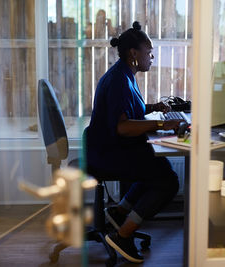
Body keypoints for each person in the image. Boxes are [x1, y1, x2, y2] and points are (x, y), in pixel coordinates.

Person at [85, 21, 182, 263]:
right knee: (167, 180)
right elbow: (122, 126)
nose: (152, 58)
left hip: (106, 147)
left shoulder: (124, 73)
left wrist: (153, 108)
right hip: (108, 153)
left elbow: (129, 112)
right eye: (149, 53)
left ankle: (120, 212)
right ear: (134, 54)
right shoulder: (119, 80)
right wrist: (161, 124)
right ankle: (123, 234)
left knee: (156, 168)